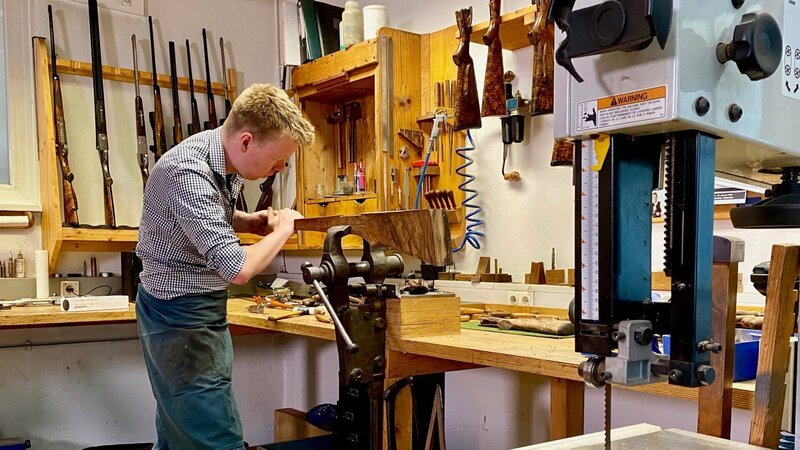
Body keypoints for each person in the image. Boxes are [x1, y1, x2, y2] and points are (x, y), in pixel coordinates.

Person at [135, 83, 314, 450]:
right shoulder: (187, 170)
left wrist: (247, 222)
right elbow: (238, 269)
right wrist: (283, 231)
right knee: (215, 436)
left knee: (178, 430)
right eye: (277, 159)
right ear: (246, 141)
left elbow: (197, 213)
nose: (279, 168)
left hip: (194, 308)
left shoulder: (220, 156)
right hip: (179, 317)